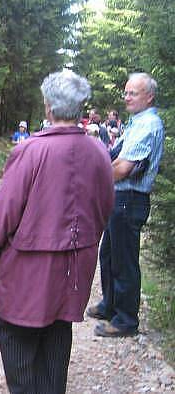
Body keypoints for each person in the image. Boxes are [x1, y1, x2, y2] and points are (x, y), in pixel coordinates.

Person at [0, 69, 114, 393]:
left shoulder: (32, 150)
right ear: (79, 108)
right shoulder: (98, 152)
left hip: (29, 268)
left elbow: (5, 210)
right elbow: (105, 206)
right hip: (74, 268)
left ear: (49, 108)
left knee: (17, 336)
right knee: (57, 332)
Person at [88, 72, 164, 338]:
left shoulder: (148, 125)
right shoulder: (137, 122)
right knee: (109, 254)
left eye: (133, 93)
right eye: (126, 92)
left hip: (129, 200)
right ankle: (110, 305)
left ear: (149, 96)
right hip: (119, 199)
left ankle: (126, 321)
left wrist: (92, 180)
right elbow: (114, 155)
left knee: (124, 260)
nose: (127, 96)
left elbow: (123, 167)